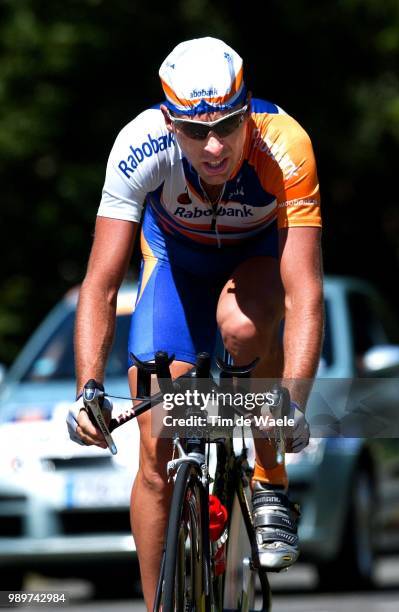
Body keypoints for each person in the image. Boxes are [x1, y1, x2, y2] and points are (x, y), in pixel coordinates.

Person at [67, 37, 324, 609]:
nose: (213, 147)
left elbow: (304, 292)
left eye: (228, 126)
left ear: (247, 109)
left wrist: (295, 403)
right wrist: (88, 389)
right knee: (156, 447)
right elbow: (102, 282)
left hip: (255, 262)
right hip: (176, 268)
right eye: (193, 131)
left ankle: (267, 477)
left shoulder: (285, 144)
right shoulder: (138, 145)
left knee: (241, 324)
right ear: (168, 122)